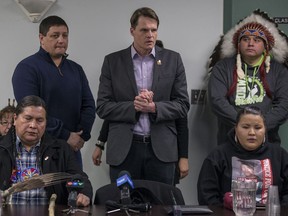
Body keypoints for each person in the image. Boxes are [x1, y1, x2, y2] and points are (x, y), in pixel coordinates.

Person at [96, 7, 190, 185]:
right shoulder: (112, 62)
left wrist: (155, 107)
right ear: (132, 31)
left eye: (154, 30)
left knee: (162, 207)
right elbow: (102, 107)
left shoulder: (173, 60)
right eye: (144, 30)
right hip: (125, 150)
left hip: (162, 151)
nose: (150, 35)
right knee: (123, 207)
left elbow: (183, 105)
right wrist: (134, 106)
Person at [12, 15, 96, 166]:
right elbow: (31, 112)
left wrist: (81, 135)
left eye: (65, 35)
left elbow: (89, 104)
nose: (61, 40)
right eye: (55, 36)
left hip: (71, 149)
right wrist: (65, 135)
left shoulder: (76, 69)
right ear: (41, 38)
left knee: (75, 189)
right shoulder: (27, 68)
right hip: (40, 150)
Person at [207, 9, 288, 145]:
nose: (251, 43)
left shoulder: (278, 71)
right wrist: (244, 125)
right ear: (238, 44)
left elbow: (284, 105)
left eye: (257, 40)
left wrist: (258, 126)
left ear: (265, 46)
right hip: (230, 142)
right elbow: (217, 101)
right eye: (245, 39)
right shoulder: (222, 68)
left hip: (267, 143)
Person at [0, 95, 92, 206]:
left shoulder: (61, 149)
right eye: (28, 118)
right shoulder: (2, 148)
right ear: (15, 119)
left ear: (46, 123)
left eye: (39, 120)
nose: (33, 125)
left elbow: (80, 179)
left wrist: (83, 193)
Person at [197, 106, 288, 207]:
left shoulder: (280, 155)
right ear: (236, 128)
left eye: (258, 128)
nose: (252, 133)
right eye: (245, 127)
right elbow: (207, 196)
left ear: (265, 129)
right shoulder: (218, 156)